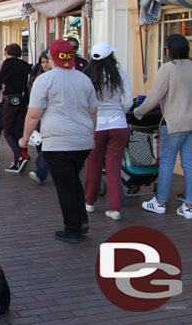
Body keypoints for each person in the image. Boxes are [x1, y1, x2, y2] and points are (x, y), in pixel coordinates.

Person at [19, 39, 98, 244]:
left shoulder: (45, 80)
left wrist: (25, 138)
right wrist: (92, 135)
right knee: (73, 181)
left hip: (58, 140)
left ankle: (71, 229)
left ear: (53, 57)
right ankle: (81, 221)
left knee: (65, 186)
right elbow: (93, 112)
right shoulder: (84, 80)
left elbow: (33, 115)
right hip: (82, 139)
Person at [136, 34, 192, 219]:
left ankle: (159, 202)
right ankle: (189, 205)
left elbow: (153, 97)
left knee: (167, 162)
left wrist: (139, 112)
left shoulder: (168, 68)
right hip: (191, 123)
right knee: (189, 164)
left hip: (173, 122)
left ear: (170, 50)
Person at [83, 43, 133, 221]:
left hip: (97, 125)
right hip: (118, 124)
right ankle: (115, 208)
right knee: (113, 167)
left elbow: (84, 102)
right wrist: (119, 113)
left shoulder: (88, 76)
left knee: (93, 163)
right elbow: (128, 101)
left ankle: (89, 201)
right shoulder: (119, 74)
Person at [0, 43, 32, 173]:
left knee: (8, 132)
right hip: (22, 100)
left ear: (8, 53)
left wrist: (3, 86)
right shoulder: (24, 65)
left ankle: (20, 156)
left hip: (10, 100)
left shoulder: (8, 63)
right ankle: (17, 161)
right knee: (17, 131)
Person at [28, 50, 51, 185]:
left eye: (47, 61)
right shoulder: (39, 77)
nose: (45, 65)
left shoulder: (53, 78)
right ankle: (43, 168)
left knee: (47, 144)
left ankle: (41, 171)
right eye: (43, 62)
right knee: (40, 142)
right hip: (40, 115)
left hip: (50, 117)